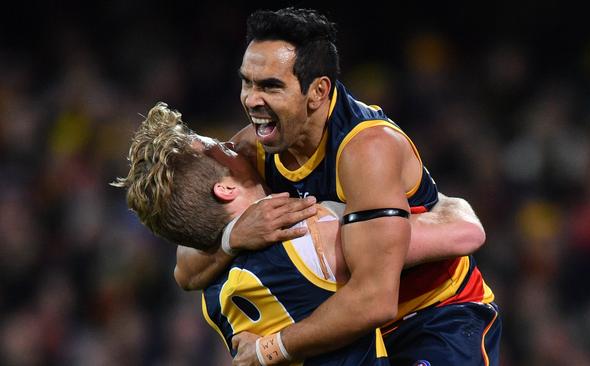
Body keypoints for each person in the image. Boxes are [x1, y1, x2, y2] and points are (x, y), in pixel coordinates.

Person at [176, 7, 500, 365]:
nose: (252, 99)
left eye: (270, 86)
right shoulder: (256, 147)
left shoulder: (366, 150)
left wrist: (270, 349)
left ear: (317, 91)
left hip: (434, 316)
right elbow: (186, 269)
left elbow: (376, 298)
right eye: (247, 82)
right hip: (347, 320)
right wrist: (234, 235)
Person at [113, 103, 489, 365]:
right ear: (224, 189)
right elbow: (465, 232)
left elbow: (183, 270)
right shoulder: (315, 228)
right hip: (438, 316)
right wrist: (443, 200)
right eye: (221, 148)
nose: (234, 144)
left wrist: (229, 237)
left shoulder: (214, 291)